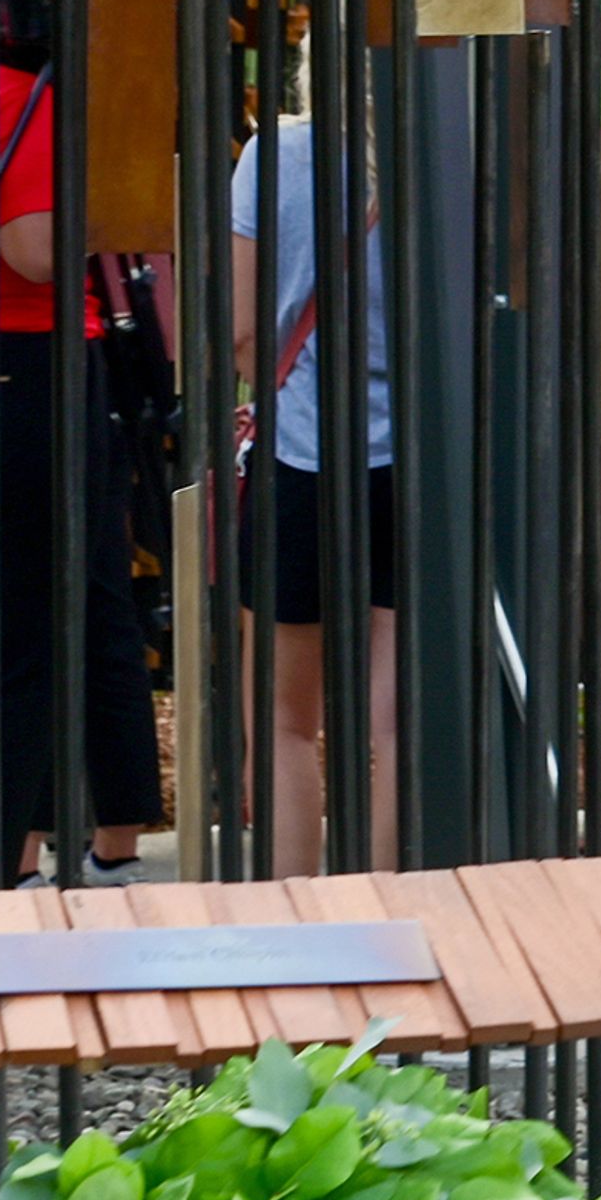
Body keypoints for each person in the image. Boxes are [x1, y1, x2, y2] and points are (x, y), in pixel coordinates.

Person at [0, 35, 167, 888]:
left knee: (51, 611)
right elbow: (32, 245)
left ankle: (30, 853)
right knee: (36, 626)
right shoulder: (24, 98)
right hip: (34, 358)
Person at [229, 60, 397, 876]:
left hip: (300, 455)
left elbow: (238, 327)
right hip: (414, 465)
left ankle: (294, 913)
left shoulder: (273, 157)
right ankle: (389, 908)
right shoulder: (436, 154)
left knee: (287, 724)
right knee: (395, 724)